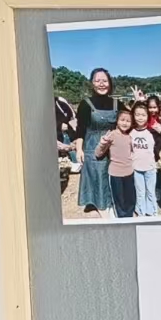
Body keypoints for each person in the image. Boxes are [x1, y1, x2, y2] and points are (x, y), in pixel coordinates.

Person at [72, 68, 117, 216]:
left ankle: (110, 202)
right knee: (97, 175)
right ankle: (101, 206)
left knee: (110, 175)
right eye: (97, 81)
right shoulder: (85, 104)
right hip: (92, 146)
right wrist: (79, 150)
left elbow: (129, 120)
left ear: (109, 83)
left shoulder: (116, 103)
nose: (101, 84)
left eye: (104, 80)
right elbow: (80, 129)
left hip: (112, 147)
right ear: (92, 83)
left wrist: (138, 102)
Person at [95, 107, 137, 218]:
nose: (125, 123)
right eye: (122, 120)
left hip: (129, 172)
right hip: (115, 173)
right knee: (119, 200)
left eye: (128, 121)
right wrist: (102, 143)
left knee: (130, 199)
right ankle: (121, 219)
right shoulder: (112, 135)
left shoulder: (130, 136)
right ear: (117, 121)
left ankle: (129, 217)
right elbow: (98, 153)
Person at [129, 103, 161, 217]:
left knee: (150, 191)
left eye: (143, 115)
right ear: (133, 115)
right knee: (140, 192)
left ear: (148, 116)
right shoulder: (131, 132)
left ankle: (152, 212)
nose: (140, 117)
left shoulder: (152, 132)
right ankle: (141, 212)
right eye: (137, 114)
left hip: (150, 168)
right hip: (136, 168)